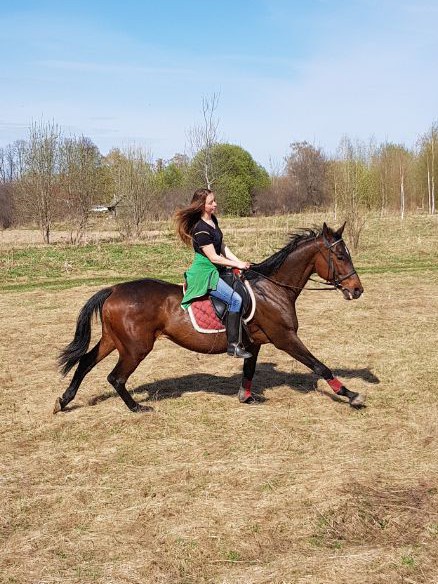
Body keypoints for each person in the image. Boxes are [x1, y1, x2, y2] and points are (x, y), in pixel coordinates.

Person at [175, 188, 252, 358]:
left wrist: (239, 263)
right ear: (201, 205)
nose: (215, 204)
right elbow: (214, 257)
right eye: (211, 202)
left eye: (214, 200)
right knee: (235, 299)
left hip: (217, 268)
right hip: (205, 272)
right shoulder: (200, 229)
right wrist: (236, 264)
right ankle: (233, 345)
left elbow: (222, 246)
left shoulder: (212, 220)